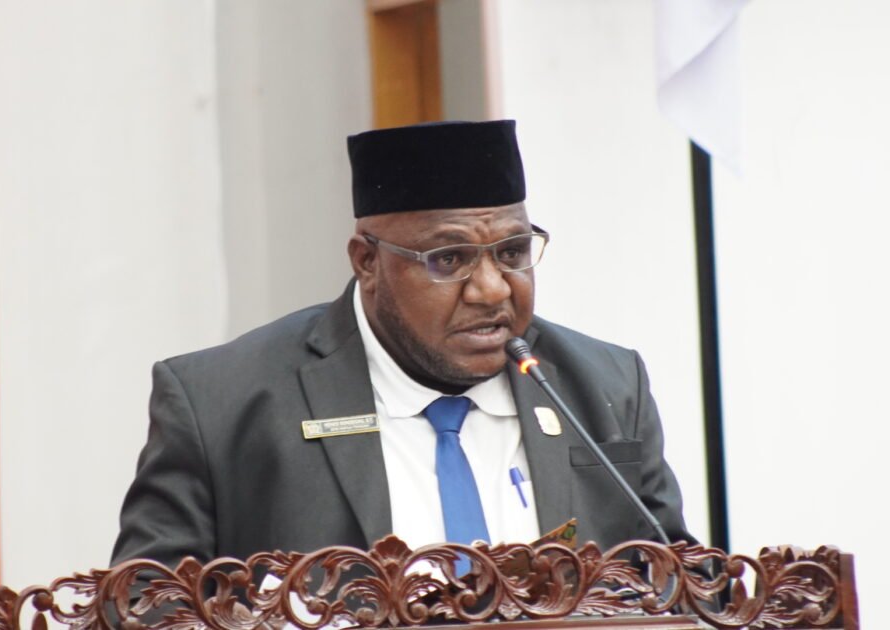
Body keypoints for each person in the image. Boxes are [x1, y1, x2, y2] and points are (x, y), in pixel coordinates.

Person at [111, 120, 693, 569]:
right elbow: (144, 606)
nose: (492, 289)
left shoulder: (606, 384)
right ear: (368, 262)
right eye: (450, 259)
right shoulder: (221, 404)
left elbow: (678, 581)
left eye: (512, 252)